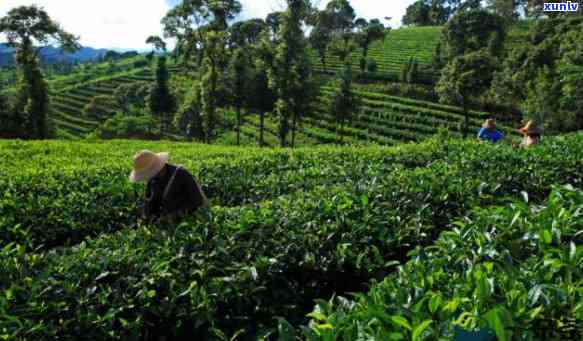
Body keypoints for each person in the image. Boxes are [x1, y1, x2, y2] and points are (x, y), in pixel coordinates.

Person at [129, 150, 209, 224]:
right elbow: (149, 204)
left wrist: (174, 215)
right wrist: (148, 218)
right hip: (168, 222)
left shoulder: (181, 174)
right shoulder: (152, 180)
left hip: (190, 221)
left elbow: (197, 201)